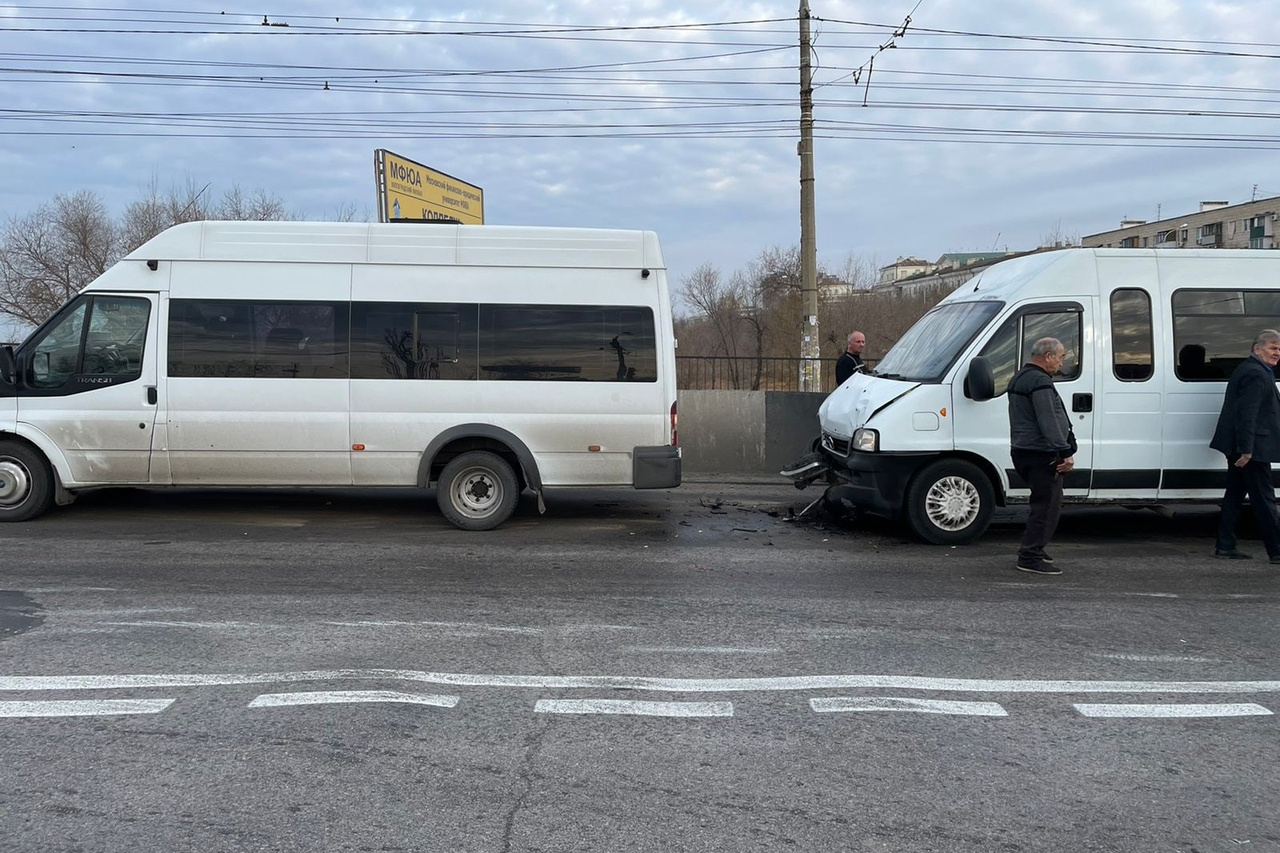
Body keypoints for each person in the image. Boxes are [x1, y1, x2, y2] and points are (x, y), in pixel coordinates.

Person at [1209, 329, 1280, 563]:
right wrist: (1247, 450)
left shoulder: (1254, 369)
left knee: (1235, 496)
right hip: (1251, 449)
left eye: (1279, 349)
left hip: (1243, 445)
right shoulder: (1256, 374)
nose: (1277, 352)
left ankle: (1226, 545)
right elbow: (1246, 416)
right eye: (1272, 347)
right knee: (1265, 500)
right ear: (1256, 349)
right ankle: (1277, 551)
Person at [1007, 337, 1075, 575]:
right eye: (1061, 356)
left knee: (1042, 503)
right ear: (1047, 356)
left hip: (1023, 451)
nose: (1061, 361)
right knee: (1047, 507)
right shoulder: (1039, 382)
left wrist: (1069, 436)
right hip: (1041, 453)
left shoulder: (1021, 377)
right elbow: (1047, 419)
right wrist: (1064, 450)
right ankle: (1029, 556)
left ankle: (1035, 548)